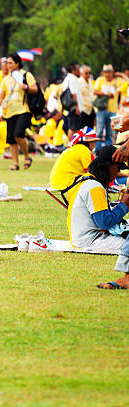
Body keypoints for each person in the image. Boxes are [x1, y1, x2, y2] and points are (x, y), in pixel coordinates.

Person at [61, 146, 129, 289]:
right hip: (91, 240)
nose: (118, 173)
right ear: (108, 166)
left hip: (86, 236)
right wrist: (124, 205)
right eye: (117, 168)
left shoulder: (88, 181)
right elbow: (104, 222)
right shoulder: (94, 187)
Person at [0, 52, 38, 171]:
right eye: (7, 63)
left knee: (18, 134)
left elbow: (35, 89)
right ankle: (15, 163)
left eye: (10, 63)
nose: (7, 65)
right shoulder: (6, 78)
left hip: (23, 109)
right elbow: (1, 95)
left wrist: (26, 87)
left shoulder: (26, 75)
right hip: (9, 111)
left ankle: (27, 157)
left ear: (17, 63)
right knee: (11, 139)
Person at [94, 64, 127, 149]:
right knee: (99, 132)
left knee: (111, 132)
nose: (108, 74)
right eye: (106, 72)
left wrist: (121, 74)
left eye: (110, 72)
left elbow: (127, 82)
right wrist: (106, 94)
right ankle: (97, 151)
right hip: (102, 110)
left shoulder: (117, 81)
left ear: (113, 72)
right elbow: (95, 91)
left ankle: (108, 151)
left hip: (113, 111)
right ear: (103, 73)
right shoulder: (100, 80)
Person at [61, 63, 83, 140]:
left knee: (74, 127)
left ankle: (74, 145)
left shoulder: (67, 78)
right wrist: (77, 107)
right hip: (73, 107)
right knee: (73, 128)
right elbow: (73, 93)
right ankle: (70, 145)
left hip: (69, 107)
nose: (80, 71)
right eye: (78, 69)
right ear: (73, 70)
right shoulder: (72, 78)